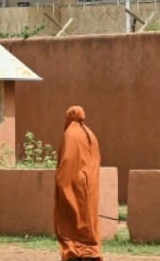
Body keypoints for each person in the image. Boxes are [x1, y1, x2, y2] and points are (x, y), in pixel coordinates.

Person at [53, 106, 101, 261]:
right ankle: (90, 251)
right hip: (90, 185)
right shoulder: (89, 134)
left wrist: (61, 182)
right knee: (87, 217)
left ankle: (74, 251)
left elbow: (67, 162)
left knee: (72, 218)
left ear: (69, 117)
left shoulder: (71, 135)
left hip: (75, 183)